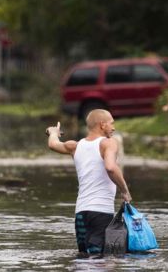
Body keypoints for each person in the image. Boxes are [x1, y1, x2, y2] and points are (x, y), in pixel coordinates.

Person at [46, 109, 132, 256]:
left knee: (84, 259)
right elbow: (111, 167)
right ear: (102, 124)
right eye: (111, 123)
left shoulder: (75, 146)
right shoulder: (108, 143)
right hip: (101, 212)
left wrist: (53, 132)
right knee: (101, 263)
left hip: (81, 212)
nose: (114, 127)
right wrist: (124, 190)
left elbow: (53, 144)